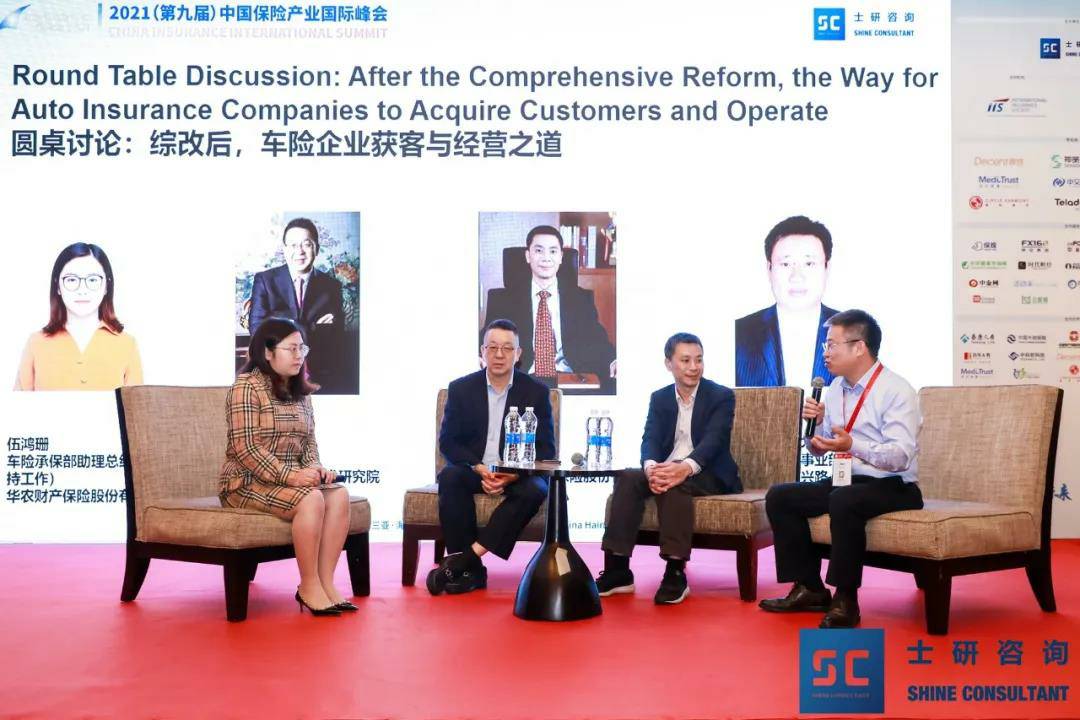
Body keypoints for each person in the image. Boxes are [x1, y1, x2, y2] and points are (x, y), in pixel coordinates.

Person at [759, 309, 922, 628]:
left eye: (832, 344)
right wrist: (816, 432)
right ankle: (809, 587)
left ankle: (846, 598)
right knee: (781, 496)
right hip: (847, 480)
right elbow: (821, 449)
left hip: (893, 485)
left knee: (844, 500)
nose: (826, 352)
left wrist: (852, 445)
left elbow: (900, 456)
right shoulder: (834, 389)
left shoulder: (896, 390)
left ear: (859, 347)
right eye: (825, 345)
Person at [220, 317, 354, 616]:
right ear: (268, 352)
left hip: (288, 481)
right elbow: (246, 448)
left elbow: (309, 444)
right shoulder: (246, 387)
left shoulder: (301, 392)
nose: (299, 356)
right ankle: (308, 586)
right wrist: (291, 476)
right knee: (311, 499)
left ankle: (326, 583)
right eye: (291, 349)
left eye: (301, 349)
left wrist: (316, 470)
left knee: (338, 494)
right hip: (245, 482)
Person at [596, 332, 741, 605]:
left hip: (707, 471)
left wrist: (684, 468)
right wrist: (651, 468)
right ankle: (618, 570)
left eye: (698, 360)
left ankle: (675, 572)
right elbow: (650, 437)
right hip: (666, 467)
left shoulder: (720, 396)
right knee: (628, 477)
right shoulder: (660, 397)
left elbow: (715, 440)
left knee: (676, 485)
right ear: (669, 364)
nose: (693, 367)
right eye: (685, 360)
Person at [427, 318, 557, 596]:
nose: (499, 354)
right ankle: (471, 571)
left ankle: (464, 561)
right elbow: (448, 442)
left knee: (536, 489)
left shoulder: (536, 392)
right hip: (476, 470)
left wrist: (512, 475)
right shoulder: (461, 389)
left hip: (518, 474)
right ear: (482, 351)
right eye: (493, 347)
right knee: (450, 477)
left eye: (507, 348)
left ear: (518, 354)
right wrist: (478, 467)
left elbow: (547, 453)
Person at [483, 225, 616, 385]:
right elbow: (485, 338)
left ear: (561, 257)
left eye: (553, 251)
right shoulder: (503, 299)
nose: (546, 258)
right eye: (539, 250)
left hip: (569, 377)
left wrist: (613, 361)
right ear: (528, 256)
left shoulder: (580, 299)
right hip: (520, 377)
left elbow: (598, 340)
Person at [15, 243, 142, 391]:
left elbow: (136, 405)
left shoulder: (127, 344)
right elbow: (18, 404)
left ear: (106, 286)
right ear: (57, 286)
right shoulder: (35, 343)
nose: (82, 290)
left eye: (92, 280)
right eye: (71, 280)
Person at [735, 215, 838, 388]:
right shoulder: (738, 333)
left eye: (809, 263)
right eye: (785, 264)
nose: (796, 277)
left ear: (827, 268)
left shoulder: (857, 333)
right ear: (769, 269)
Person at [248, 217, 345, 392]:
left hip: (320, 377)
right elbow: (257, 331)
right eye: (293, 245)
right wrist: (312, 328)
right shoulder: (265, 280)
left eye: (307, 244)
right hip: (274, 376)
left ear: (317, 248)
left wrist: (281, 325)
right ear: (284, 249)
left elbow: (336, 339)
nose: (299, 251)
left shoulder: (332, 287)